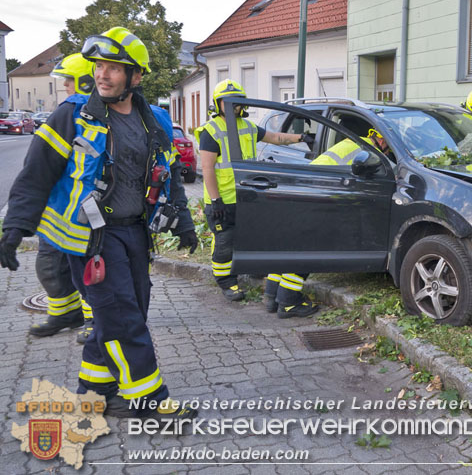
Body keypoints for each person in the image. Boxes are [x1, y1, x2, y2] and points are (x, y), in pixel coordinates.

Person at [0, 27, 199, 421]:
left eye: (114, 68)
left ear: (135, 77)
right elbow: (36, 173)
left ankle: (94, 392)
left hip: (134, 233)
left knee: (127, 313)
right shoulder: (72, 115)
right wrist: (15, 226)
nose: (102, 74)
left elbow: (170, 173)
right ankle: (148, 399)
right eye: (99, 66)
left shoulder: (154, 119)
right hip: (91, 239)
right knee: (122, 315)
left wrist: (184, 222)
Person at [197, 79, 314, 301]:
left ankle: (250, 269)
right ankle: (226, 283)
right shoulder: (210, 131)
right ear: (218, 103)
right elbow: (207, 168)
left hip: (245, 196)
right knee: (224, 242)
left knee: (249, 237)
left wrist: (302, 137)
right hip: (223, 200)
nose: (233, 107)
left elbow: (275, 138)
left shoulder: (248, 126)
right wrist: (215, 200)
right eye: (227, 102)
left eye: (238, 102)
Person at [265, 128, 392, 318]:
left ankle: (272, 296)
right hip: (318, 195)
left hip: (303, 190)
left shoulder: (351, 142)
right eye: (388, 147)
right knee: (308, 252)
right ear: (382, 141)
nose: (388, 151)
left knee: (292, 247)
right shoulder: (370, 152)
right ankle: (288, 303)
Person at [27, 54, 96, 343]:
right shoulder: (65, 114)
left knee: (91, 274)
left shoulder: (98, 117)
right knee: (50, 267)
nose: (65, 85)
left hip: (87, 216)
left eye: (70, 80)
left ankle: (94, 319)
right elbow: (39, 167)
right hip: (57, 213)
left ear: (86, 81)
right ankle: (63, 314)